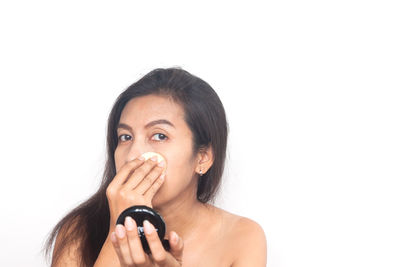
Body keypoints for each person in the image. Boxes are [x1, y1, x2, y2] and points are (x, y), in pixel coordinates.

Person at [43, 67, 267, 266]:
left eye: (159, 136)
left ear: (203, 157)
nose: (134, 154)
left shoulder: (241, 237)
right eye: (125, 137)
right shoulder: (78, 231)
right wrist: (121, 226)